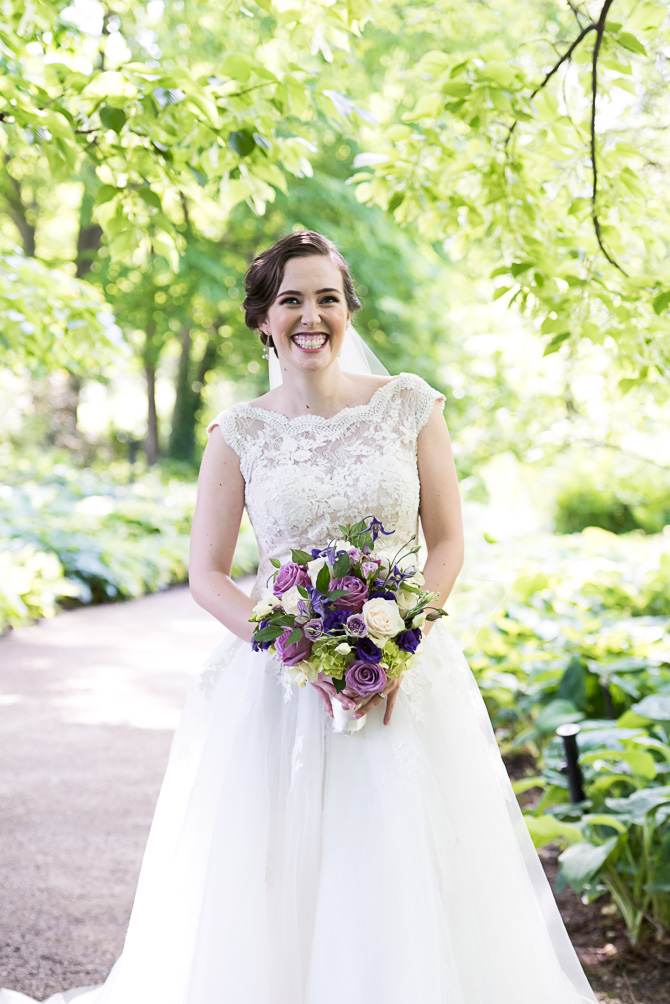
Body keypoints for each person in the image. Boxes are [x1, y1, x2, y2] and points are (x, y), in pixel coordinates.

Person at [0, 231, 599, 1004]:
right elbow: (206, 575)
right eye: (291, 300)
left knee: (403, 859)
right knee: (277, 873)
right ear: (263, 319)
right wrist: (298, 652)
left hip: (406, 676)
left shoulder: (409, 406)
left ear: (348, 310)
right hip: (277, 689)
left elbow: (448, 542)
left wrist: (399, 642)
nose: (309, 316)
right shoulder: (239, 433)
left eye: (325, 298)